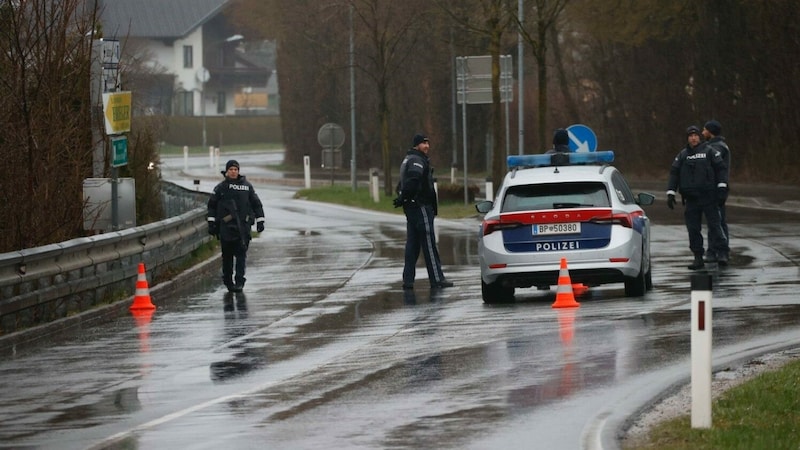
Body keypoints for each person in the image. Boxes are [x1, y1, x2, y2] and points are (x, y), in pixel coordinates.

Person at [394, 134, 453, 289]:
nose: (426, 146)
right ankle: (437, 279)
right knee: (429, 244)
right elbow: (414, 180)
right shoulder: (416, 160)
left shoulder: (408, 159)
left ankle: (408, 280)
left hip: (411, 208)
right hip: (420, 207)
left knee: (412, 245)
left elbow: (402, 183)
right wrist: (405, 196)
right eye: (423, 143)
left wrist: (402, 198)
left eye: (427, 143)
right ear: (416, 145)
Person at [666, 125, 728, 270]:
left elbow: (721, 170)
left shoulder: (710, 152)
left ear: (699, 137)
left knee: (715, 226)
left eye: (695, 135)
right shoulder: (682, 155)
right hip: (691, 199)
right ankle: (698, 257)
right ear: (687, 138)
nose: (693, 138)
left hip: (709, 197)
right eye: (690, 136)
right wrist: (670, 192)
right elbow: (674, 173)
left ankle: (722, 253)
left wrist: (722, 188)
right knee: (693, 229)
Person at [207, 160, 265, 292]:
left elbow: (256, 204)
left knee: (241, 256)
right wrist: (212, 223)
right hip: (226, 229)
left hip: (243, 229)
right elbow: (212, 206)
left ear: (238, 171)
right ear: (227, 171)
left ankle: (239, 281)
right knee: (227, 257)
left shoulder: (247, 187)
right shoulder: (221, 188)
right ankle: (228, 280)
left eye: (235, 169)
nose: (233, 171)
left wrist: (260, 221)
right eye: (231, 169)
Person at [703, 119, 731, 265]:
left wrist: (721, 186)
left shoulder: (717, 148)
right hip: (711, 189)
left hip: (716, 189)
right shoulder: (712, 146)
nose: (702, 133)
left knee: (718, 221)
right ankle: (713, 251)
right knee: (713, 221)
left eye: (705, 130)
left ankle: (721, 251)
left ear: (710, 132)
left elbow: (717, 169)